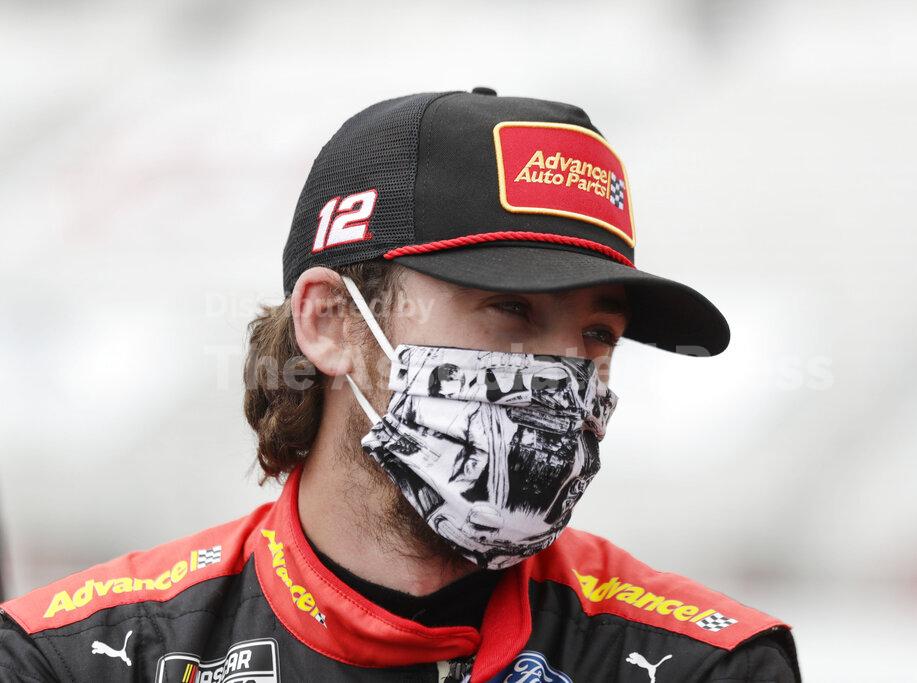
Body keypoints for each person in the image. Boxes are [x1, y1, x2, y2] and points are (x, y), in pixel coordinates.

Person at [0, 88, 800, 682]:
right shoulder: (84, 658)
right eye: (511, 310)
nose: (564, 377)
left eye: (597, 334)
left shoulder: (701, 665)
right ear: (331, 322)